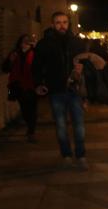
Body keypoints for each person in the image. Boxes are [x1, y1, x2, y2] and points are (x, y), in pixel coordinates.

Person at [33, 11, 88, 169]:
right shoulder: (44, 44)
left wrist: (82, 68)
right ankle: (66, 155)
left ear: (68, 23)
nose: (62, 25)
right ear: (52, 24)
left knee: (79, 125)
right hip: (56, 90)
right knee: (61, 126)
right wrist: (38, 84)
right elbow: (37, 66)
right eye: (58, 22)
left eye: (64, 22)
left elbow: (87, 62)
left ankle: (81, 155)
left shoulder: (76, 42)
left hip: (74, 90)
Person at [1, 34, 38, 142]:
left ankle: (31, 131)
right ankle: (30, 126)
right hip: (18, 86)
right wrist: (10, 61)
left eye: (28, 41)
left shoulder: (35, 52)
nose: (26, 43)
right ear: (20, 42)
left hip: (32, 85)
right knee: (24, 109)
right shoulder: (15, 53)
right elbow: (5, 68)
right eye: (24, 41)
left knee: (32, 109)